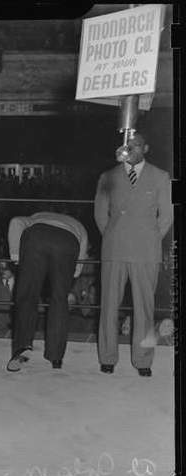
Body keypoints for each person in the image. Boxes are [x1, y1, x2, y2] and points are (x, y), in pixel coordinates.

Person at [94, 132, 173, 377]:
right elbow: (100, 215)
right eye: (127, 146)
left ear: (146, 148)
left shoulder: (161, 177)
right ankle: (107, 358)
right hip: (114, 250)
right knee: (108, 305)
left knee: (145, 308)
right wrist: (113, 237)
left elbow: (167, 216)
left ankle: (143, 361)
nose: (131, 150)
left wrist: (149, 239)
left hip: (146, 252)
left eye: (136, 146)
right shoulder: (107, 176)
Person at [6, 212, 88, 372]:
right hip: (67, 241)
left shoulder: (36, 217)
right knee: (59, 299)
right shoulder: (79, 225)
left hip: (36, 237)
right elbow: (80, 257)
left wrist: (15, 255)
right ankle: (56, 356)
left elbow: (15, 221)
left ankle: (21, 349)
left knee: (27, 295)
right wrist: (73, 272)